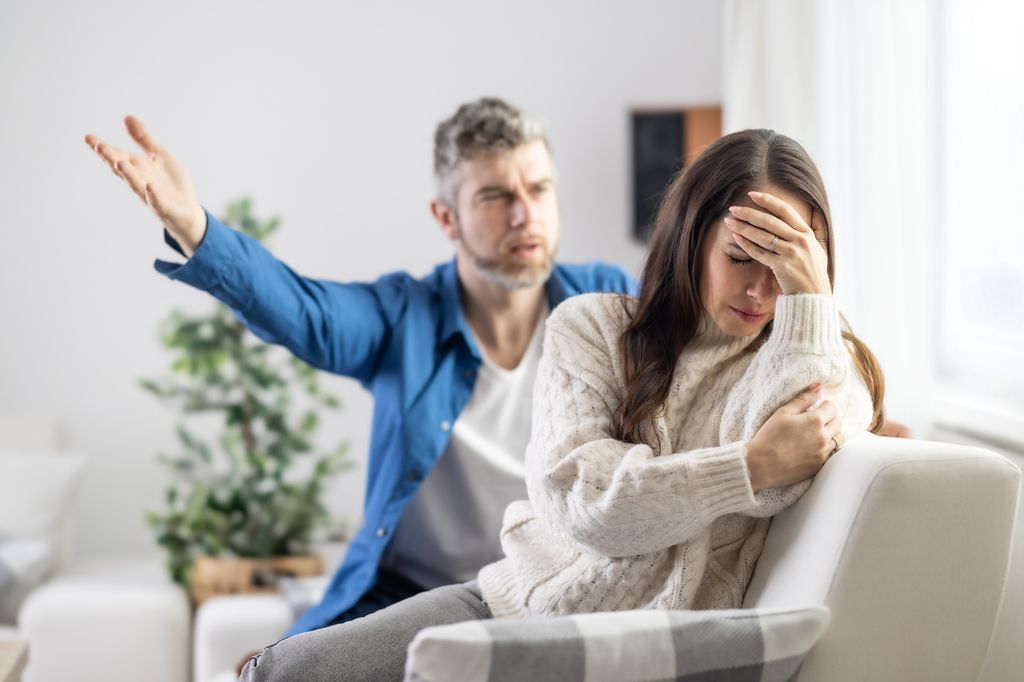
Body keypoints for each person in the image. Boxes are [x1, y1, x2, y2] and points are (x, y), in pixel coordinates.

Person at [231, 128, 887, 682]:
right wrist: (744, 467)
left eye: (791, 266)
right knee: (290, 671)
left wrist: (813, 303)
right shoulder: (594, 326)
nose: (762, 289)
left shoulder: (830, 363)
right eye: (743, 256)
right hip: (512, 603)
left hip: (644, 652)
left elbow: (785, 479)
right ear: (692, 237)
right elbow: (581, 500)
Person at [83, 98, 638, 636]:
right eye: (495, 196)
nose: (524, 214)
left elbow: (702, 332)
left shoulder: (608, 301)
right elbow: (304, 312)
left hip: (567, 591)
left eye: (538, 189)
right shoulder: (404, 318)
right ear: (446, 217)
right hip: (415, 598)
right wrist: (195, 228)